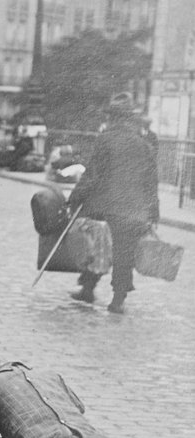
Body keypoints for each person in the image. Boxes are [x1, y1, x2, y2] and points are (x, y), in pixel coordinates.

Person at [67, 92, 160, 315]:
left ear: (113, 118)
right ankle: (118, 300)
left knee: (97, 246)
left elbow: (92, 175)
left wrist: (75, 197)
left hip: (107, 206)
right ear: (130, 119)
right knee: (124, 253)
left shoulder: (106, 140)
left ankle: (87, 288)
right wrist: (153, 213)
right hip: (135, 210)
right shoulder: (144, 144)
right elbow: (151, 182)